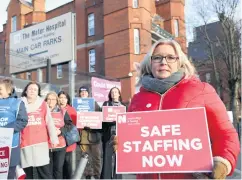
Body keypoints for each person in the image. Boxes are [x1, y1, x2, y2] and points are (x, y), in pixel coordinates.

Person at [112, 39, 240, 179]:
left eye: (171, 57)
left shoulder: (201, 90)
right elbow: (134, 147)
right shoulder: (138, 98)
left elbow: (225, 134)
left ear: (180, 62)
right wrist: (122, 144)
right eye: (157, 57)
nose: (163, 62)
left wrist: (222, 162)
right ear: (150, 62)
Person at [20, 82, 59, 179]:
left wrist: (54, 139)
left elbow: (49, 122)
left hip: (40, 143)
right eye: (30, 89)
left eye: (35, 89)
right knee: (27, 173)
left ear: (38, 92)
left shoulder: (43, 104)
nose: (32, 91)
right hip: (25, 143)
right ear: (25, 91)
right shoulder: (19, 104)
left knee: (44, 172)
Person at [0, 78, 28, 179]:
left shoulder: (17, 103)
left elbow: (22, 121)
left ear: (8, 90)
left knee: (9, 174)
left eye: (0, 89)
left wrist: (5, 130)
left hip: (11, 145)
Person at [45, 91, 73, 179]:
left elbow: (69, 125)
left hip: (60, 145)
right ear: (45, 100)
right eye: (48, 99)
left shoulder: (62, 111)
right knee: (48, 170)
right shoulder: (42, 111)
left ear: (57, 101)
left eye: (53, 99)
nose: (50, 101)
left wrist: (60, 131)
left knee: (58, 169)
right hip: (46, 145)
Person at [101, 87, 126, 179]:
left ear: (119, 94)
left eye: (116, 92)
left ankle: (117, 178)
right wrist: (111, 121)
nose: (114, 94)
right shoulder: (106, 104)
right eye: (112, 92)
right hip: (109, 135)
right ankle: (106, 177)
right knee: (107, 159)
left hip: (120, 135)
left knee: (118, 159)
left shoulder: (124, 106)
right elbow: (102, 120)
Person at [78, 86, 102, 179]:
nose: (83, 93)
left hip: (94, 134)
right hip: (83, 134)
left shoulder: (94, 103)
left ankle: (97, 175)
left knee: (96, 156)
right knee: (85, 156)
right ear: (79, 94)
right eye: (82, 92)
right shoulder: (76, 104)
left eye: (85, 92)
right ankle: (88, 174)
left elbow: (100, 115)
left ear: (88, 93)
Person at [58, 91, 77, 179]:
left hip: (67, 141)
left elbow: (73, 125)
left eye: (64, 98)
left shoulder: (71, 109)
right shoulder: (55, 108)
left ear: (67, 99)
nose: (62, 100)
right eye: (60, 97)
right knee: (58, 164)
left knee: (67, 163)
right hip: (57, 141)